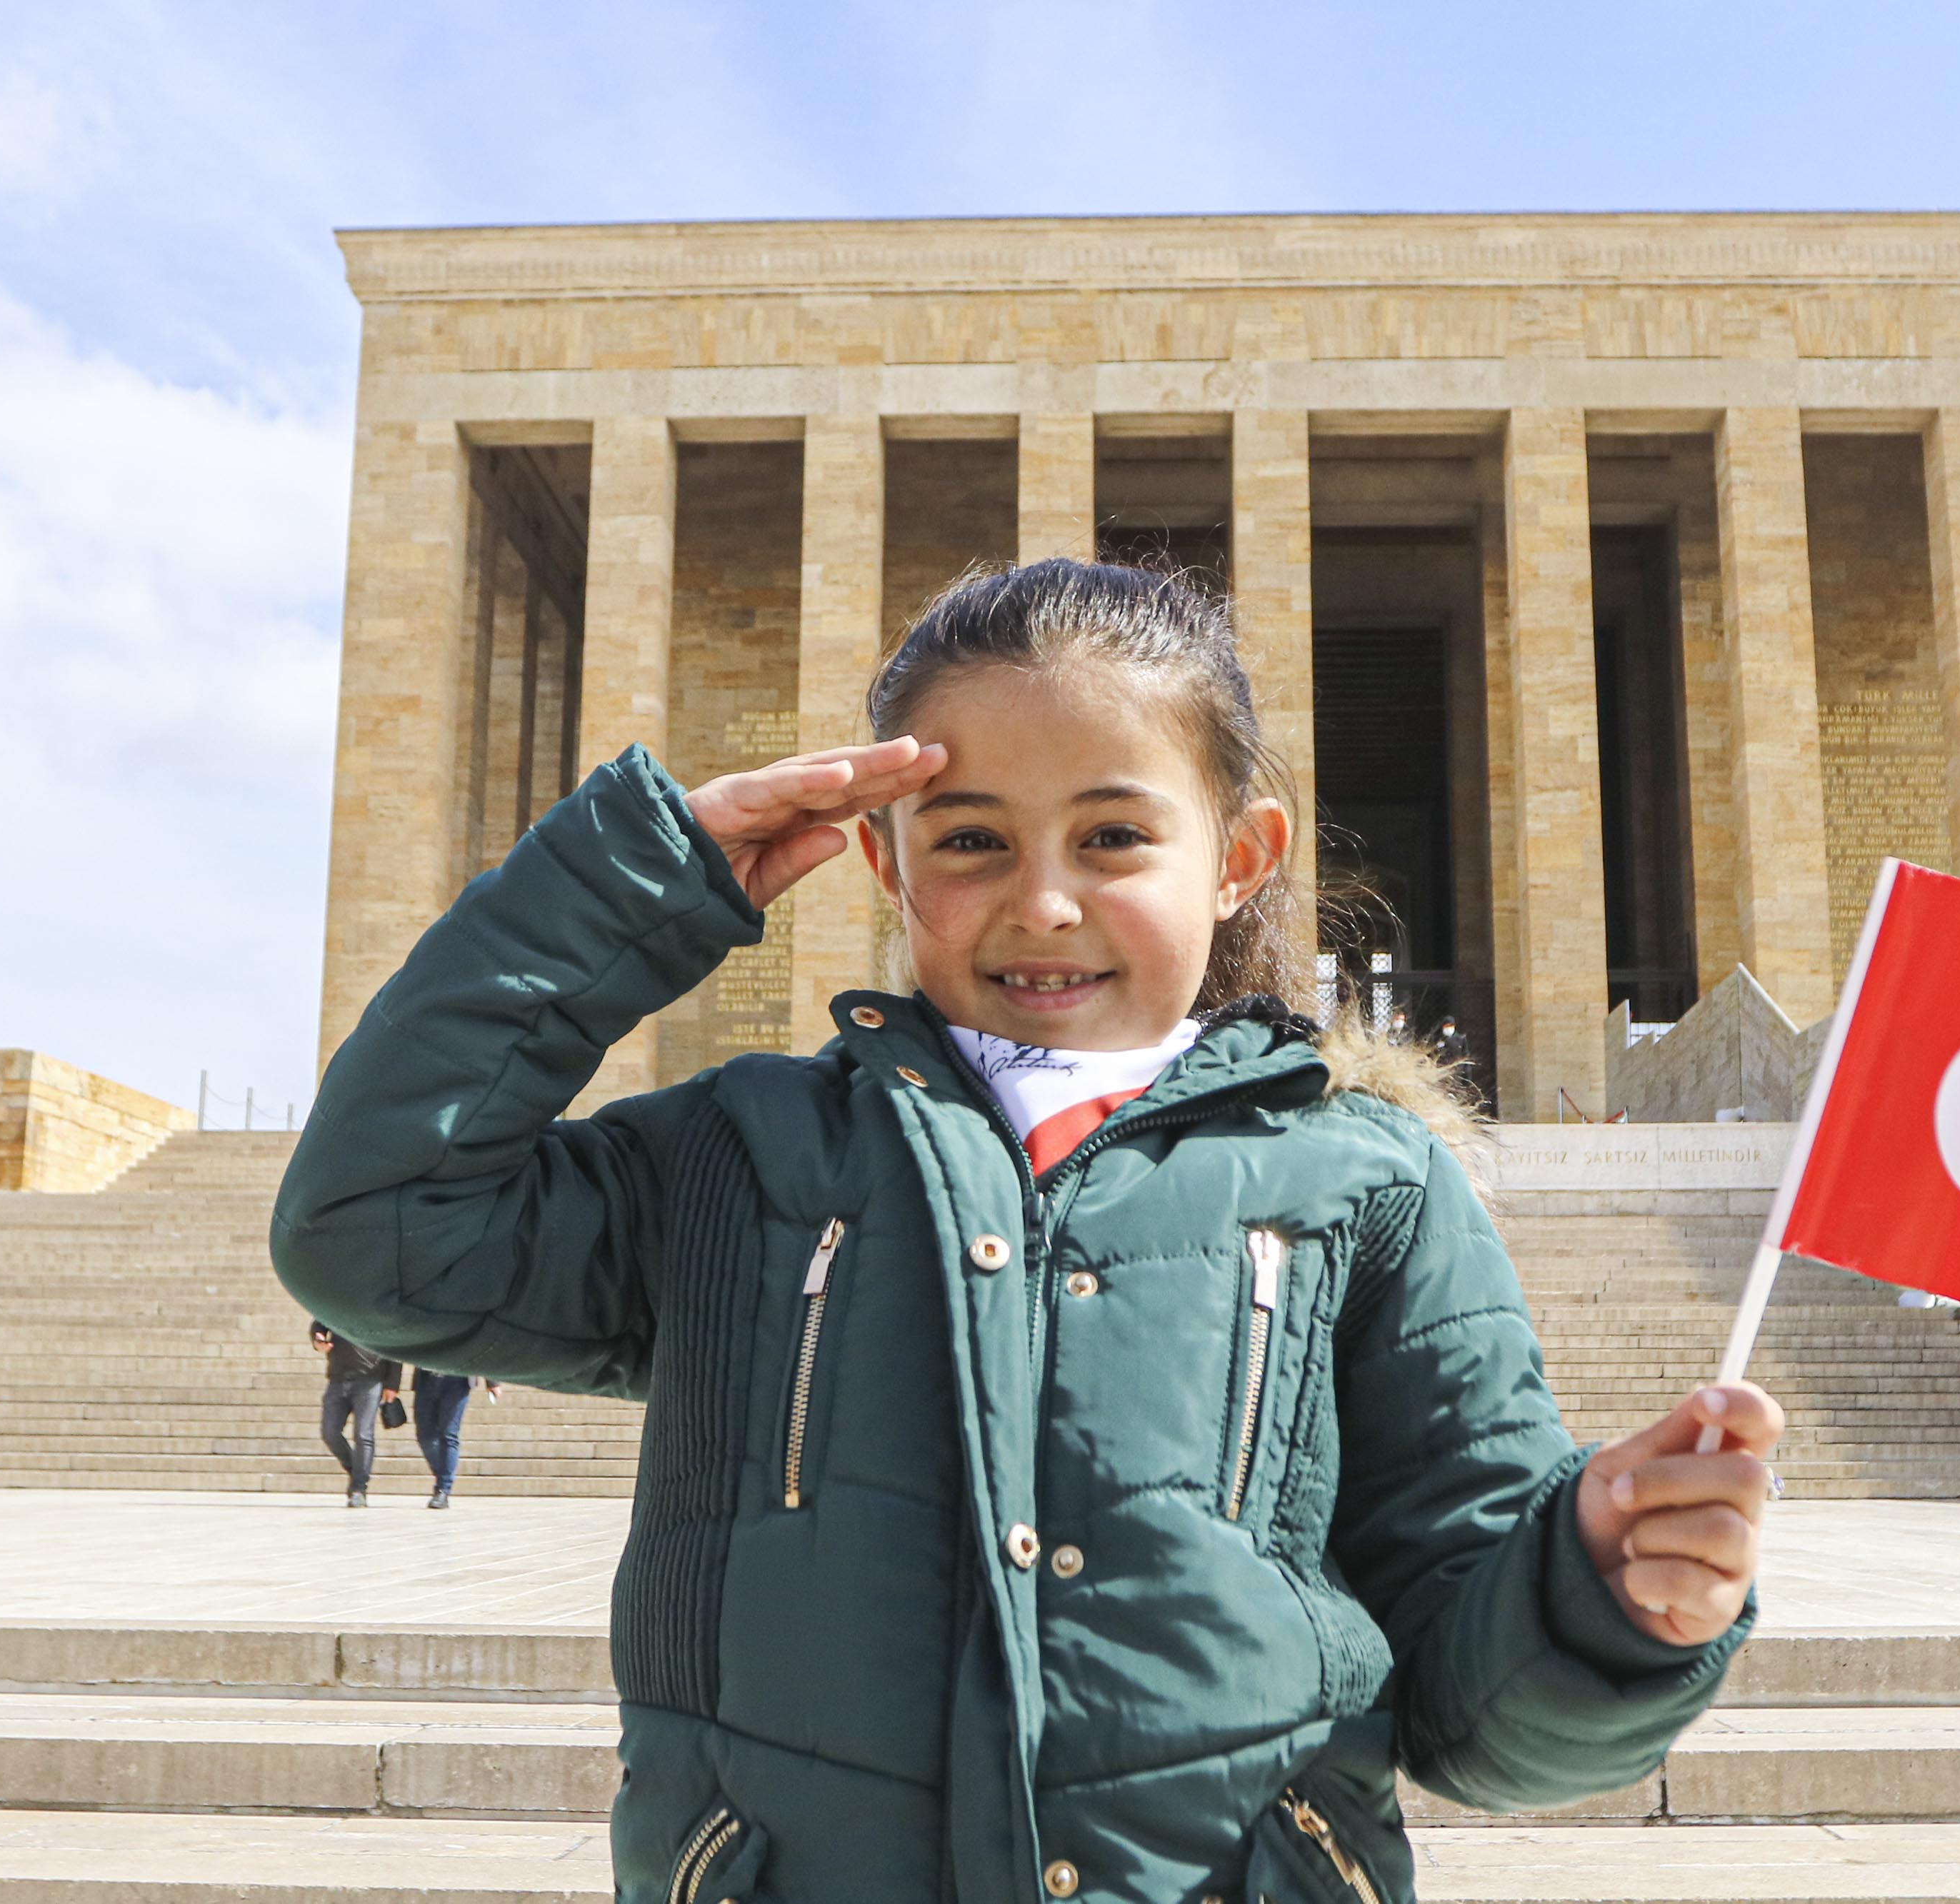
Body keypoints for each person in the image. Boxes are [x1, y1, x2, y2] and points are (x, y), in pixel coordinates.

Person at [274, 560, 1779, 1904]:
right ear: (884, 859)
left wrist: (1594, 1597)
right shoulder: (745, 1157)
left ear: (1240, 854)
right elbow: (377, 1230)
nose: (1042, 901)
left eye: (1115, 834)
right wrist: (631, 890)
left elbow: (1471, 1713)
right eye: (972, 839)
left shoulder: (1357, 1182)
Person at [309, 1321, 401, 1505]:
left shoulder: (380, 1309)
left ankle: (359, 1488)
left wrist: (392, 1383)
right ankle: (356, 1469)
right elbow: (319, 1322)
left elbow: (395, 1343)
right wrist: (318, 1338)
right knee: (329, 1433)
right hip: (338, 1378)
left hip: (370, 1380)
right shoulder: (340, 1302)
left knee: (363, 1434)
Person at [409, 1364, 499, 1508]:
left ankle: (443, 1489)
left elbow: (480, 1346)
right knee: (424, 1435)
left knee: (449, 1433)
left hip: (458, 1380)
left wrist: (492, 1381)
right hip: (427, 1377)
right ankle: (443, 1476)